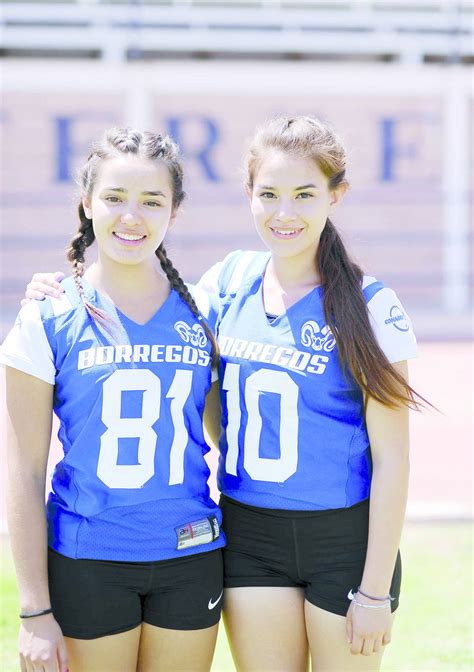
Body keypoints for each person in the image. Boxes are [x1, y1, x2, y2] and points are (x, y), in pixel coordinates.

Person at [22, 115, 422, 671]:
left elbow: (395, 457)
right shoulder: (226, 284)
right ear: (250, 197)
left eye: (305, 194)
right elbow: (203, 391)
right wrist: (53, 285)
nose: (285, 212)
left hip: (343, 538)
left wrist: (375, 590)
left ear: (337, 196)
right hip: (249, 533)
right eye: (270, 194)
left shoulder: (370, 306)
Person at [1, 128, 225, 672]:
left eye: (152, 201)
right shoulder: (47, 315)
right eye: (115, 198)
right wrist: (34, 611)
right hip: (88, 559)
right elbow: (23, 472)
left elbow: (230, 438)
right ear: (87, 203)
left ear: (174, 211)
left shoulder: (204, 314)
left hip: (190, 555)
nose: (133, 216)